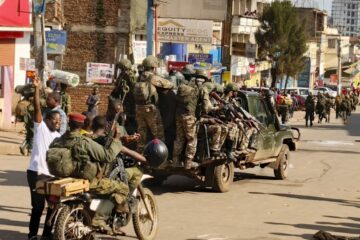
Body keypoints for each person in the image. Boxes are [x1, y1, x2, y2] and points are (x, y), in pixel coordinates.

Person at [49, 112, 146, 234]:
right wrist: (116, 140)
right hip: (89, 181)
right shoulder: (84, 142)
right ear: (83, 125)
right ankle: (99, 220)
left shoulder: (59, 140)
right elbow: (108, 156)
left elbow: (95, 138)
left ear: (69, 124)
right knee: (122, 188)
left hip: (65, 176)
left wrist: (121, 139)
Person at [27, 76, 61, 240]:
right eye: (55, 120)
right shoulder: (40, 128)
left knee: (54, 205)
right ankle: (33, 235)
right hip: (36, 173)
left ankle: (47, 235)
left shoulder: (58, 135)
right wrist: (37, 89)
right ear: (48, 120)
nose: (58, 123)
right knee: (38, 207)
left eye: (59, 121)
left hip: (51, 175)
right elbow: (37, 108)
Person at [134, 56, 173, 152]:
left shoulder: (139, 77)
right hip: (150, 109)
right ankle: (159, 156)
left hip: (139, 108)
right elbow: (170, 84)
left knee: (141, 133)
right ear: (153, 67)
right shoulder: (153, 78)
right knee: (158, 134)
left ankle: (139, 155)